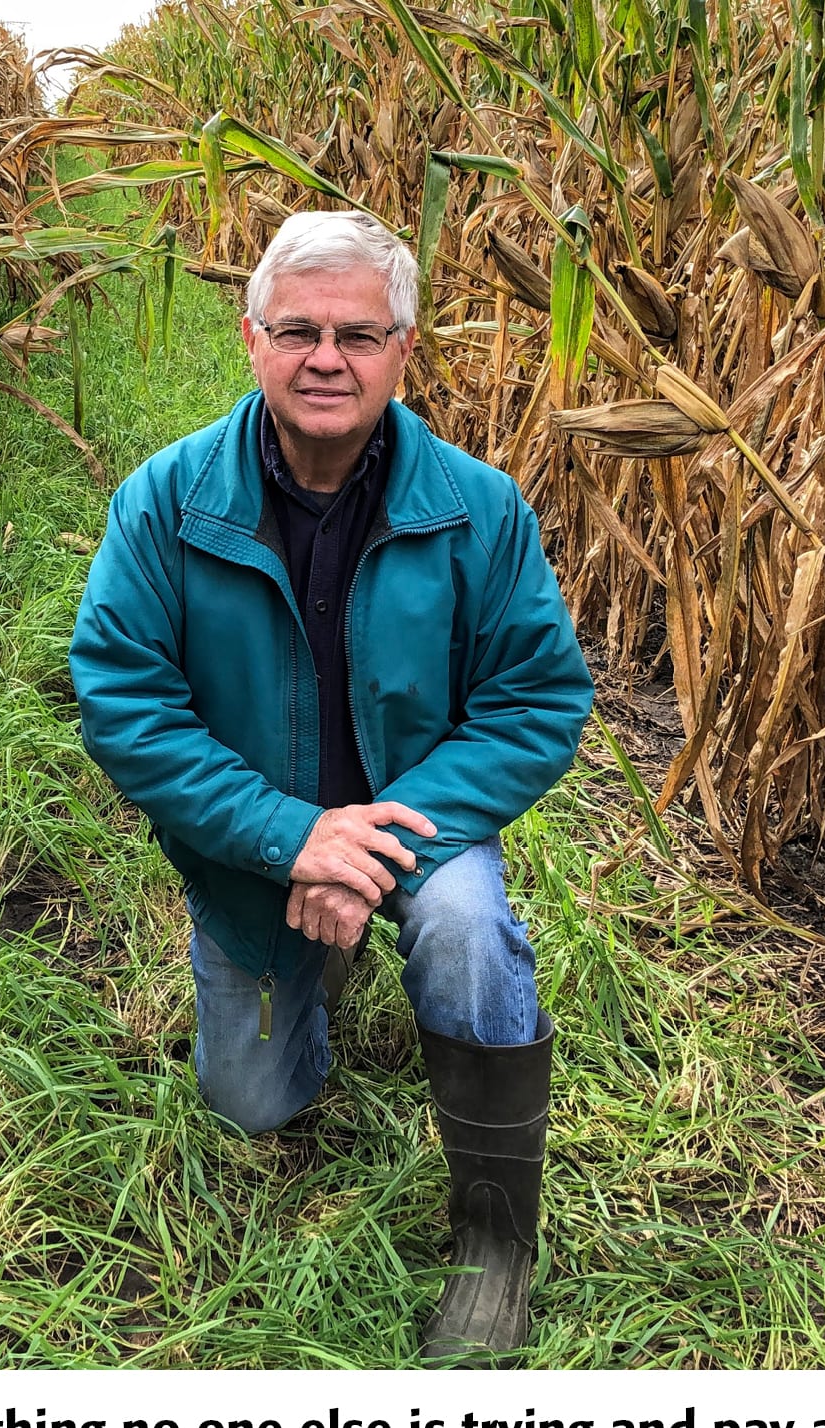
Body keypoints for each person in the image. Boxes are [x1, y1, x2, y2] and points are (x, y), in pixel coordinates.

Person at [68, 211, 594, 1365]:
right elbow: (122, 699)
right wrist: (290, 838)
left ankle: (495, 1242)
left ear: (404, 351)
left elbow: (535, 699)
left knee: (463, 925)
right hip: (254, 847)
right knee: (252, 1102)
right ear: (250, 338)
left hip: (421, 817)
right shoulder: (163, 502)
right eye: (297, 330)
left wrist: (371, 852)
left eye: (358, 335)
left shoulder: (477, 508)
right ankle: (309, 958)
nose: (326, 359)